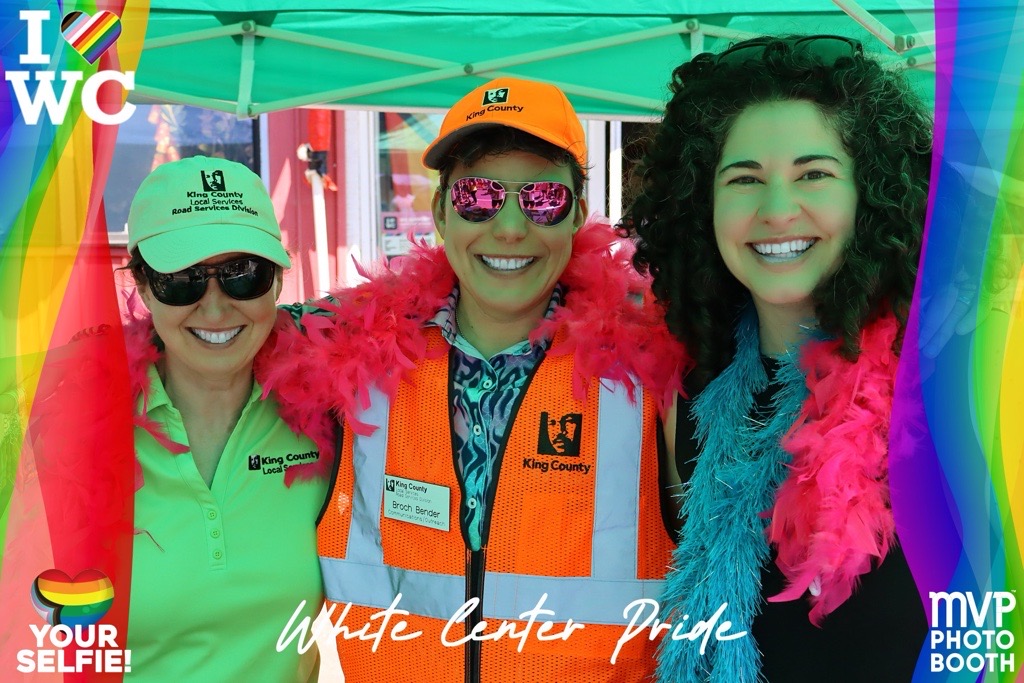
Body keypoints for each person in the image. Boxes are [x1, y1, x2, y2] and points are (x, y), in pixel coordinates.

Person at [261, 77, 689, 682]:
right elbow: (208, 333)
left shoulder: (656, 369)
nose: (510, 227)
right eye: (478, 198)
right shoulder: (348, 356)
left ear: (578, 213)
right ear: (439, 212)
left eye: (542, 198)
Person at [621, 36, 932, 681]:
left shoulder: (944, 395)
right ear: (701, 206)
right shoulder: (689, 398)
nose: (776, 210)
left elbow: (993, 634)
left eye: (813, 174)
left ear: (872, 194)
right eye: (745, 180)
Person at [120, 156, 325, 680]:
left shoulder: (330, 420)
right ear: (143, 288)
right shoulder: (74, 437)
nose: (214, 309)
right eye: (183, 280)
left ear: (278, 282)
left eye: (242, 274)